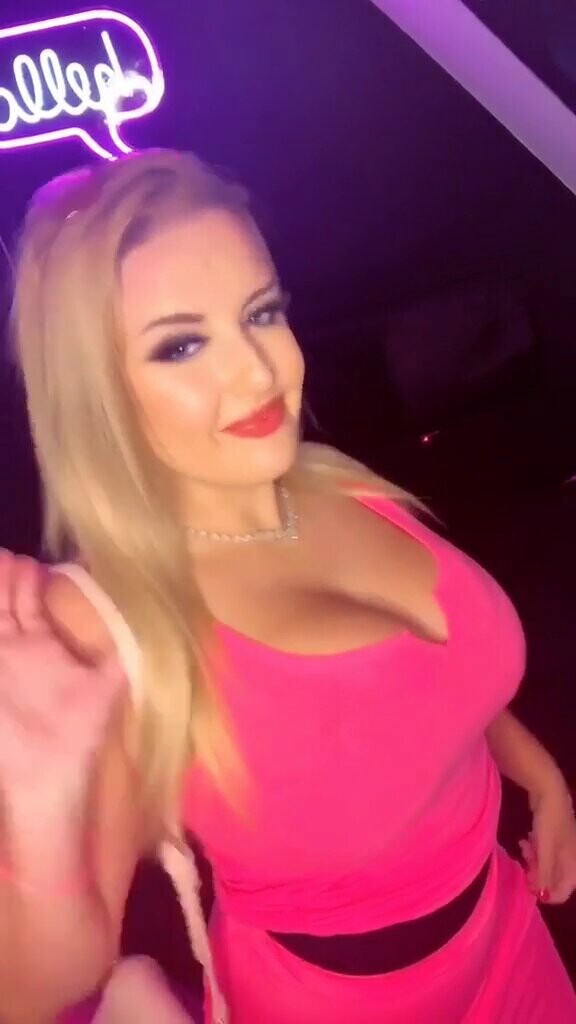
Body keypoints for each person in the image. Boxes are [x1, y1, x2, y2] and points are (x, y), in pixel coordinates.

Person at [0, 149, 575, 1024]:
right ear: (99, 394)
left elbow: (430, 684)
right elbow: (35, 989)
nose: (258, 371)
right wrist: (39, 825)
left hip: (509, 937)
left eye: (260, 313)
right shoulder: (111, 619)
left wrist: (538, 775)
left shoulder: (336, 485)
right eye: (181, 345)